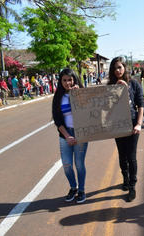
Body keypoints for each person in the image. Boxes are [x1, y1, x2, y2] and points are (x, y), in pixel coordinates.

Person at [108, 57, 144, 202]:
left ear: (124, 68)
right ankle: (126, 178)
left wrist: (139, 124)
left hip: (132, 123)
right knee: (122, 155)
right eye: (115, 68)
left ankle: (133, 186)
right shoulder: (110, 86)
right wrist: (116, 90)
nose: (117, 70)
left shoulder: (134, 84)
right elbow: (106, 107)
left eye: (120, 67)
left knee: (131, 156)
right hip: (117, 125)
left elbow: (141, 103)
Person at [52, 68, 88, 204]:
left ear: (75, 79)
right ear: (60, 81)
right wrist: (67, 136)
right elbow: (57, 118)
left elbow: (89, 111)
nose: (67, 83)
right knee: (67, 165)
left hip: (81, 134)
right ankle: (73, 187)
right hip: (65, 135)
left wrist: (79, 94)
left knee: (79, 164)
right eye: (64, 80)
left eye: (70, 80)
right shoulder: (58, 97)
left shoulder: (81, 93)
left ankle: (82, 190)